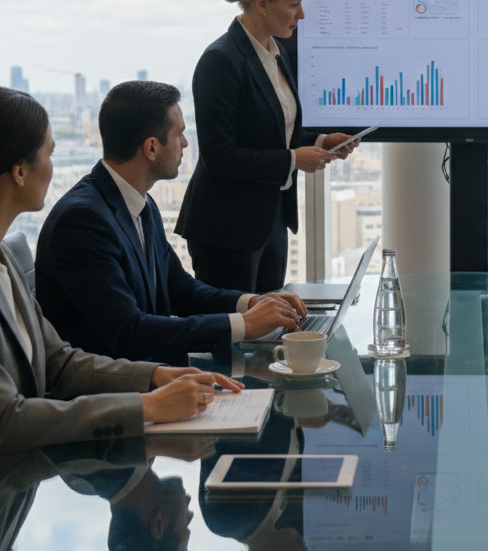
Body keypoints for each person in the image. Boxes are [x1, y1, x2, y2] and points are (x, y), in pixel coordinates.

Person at [0, 87, 243, 551]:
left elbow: (58, 361)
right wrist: (148, 408)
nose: (55, 168)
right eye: (50, 153)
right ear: (19, 170)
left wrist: (155, 377)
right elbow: (2, 420)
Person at [36, 81, 304, 365]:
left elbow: (181, 289)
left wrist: (251, 303)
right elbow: (129, 332)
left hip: (161, 378)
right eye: (180, 135)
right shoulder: (81, 221)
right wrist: (244, 326)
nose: (186, 144)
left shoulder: (140, 202)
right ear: (151, 148)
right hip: (120, 394)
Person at [176, 0, 361, 293]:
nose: (301, 14)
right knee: (237, 338)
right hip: (227, 228)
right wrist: (293, 160)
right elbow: (219, 155)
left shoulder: (275, 54)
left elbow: (274, 131)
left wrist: (321, 142)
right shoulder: (220, 60)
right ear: (261, 3)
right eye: (294, 5)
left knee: (267, 330)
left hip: (270, 218)